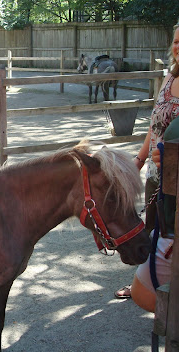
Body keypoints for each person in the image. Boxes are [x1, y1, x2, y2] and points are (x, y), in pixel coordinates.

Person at [114, 24, 179, 310]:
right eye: (176, 41)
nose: (178, 46)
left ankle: (166, 290)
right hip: (156, 173)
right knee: (151, 226)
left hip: (176, 177)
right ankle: (147, 282)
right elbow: (154, 126)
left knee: (170, 231)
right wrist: (139, 161)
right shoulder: (169, 76)